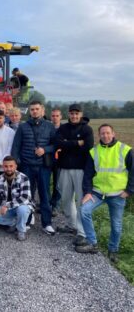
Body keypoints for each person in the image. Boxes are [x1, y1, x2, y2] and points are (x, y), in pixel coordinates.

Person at [76, 124, 133, 263]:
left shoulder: (125, 150)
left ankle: (113, 250)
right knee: (84, 210)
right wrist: (87, 192)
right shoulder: (93, 151)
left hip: (117, 195)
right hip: (97, 192)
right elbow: (88, 174)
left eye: (108, 133)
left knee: (116, 225)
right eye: (102, 133)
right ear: (99, 135)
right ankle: (92, 243)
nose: (105, 136)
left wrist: (129, 191)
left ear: (113, 133)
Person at [11, 100, 56, 235]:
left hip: (43, 167)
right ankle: (27, 220)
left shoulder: (49, 126)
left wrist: (45, 149)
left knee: (45, 195)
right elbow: (16, 147)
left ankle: (46, 223)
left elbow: (55, 145)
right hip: (27, 166)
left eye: (37, 109)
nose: (34, 111)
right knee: (27, 195)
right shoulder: (23, 127)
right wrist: (18, 163)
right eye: (32, 109)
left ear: (42, 110)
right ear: (30, 111)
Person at [55, 104, 94, 244]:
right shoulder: (63, 128)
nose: (74, 116)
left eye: (77, 113)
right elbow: (58, 144)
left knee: (80, 201)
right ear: (68, 114)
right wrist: (77, 143)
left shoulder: (87, 129)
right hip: (64, 168)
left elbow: (88, 147)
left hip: (81, 170)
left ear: (81, 114)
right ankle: (72, 225)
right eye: (72, 113)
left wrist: (67, 144)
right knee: (66, 200)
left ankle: (82, 232)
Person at [0, 156, 33, 241]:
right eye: (6, 166)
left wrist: (7, 206)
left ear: (16, 166)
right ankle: (14, 222)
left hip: (20, 206)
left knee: (22, 210)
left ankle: (21, 230)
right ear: (3, 167)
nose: (8, 169)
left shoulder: (24, 178)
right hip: (7, 209)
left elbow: (25, 198)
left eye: (11, 166)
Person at [50, 108, 63, 215]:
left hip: (60, 160)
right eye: (53, 116)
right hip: (48, 159)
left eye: (57, 116)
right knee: (44, 183)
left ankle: (55, 206)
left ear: (61, 117)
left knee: (57, 184)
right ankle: (46, 204)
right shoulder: (48, 127)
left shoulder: (65, 129)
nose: (55, 118)